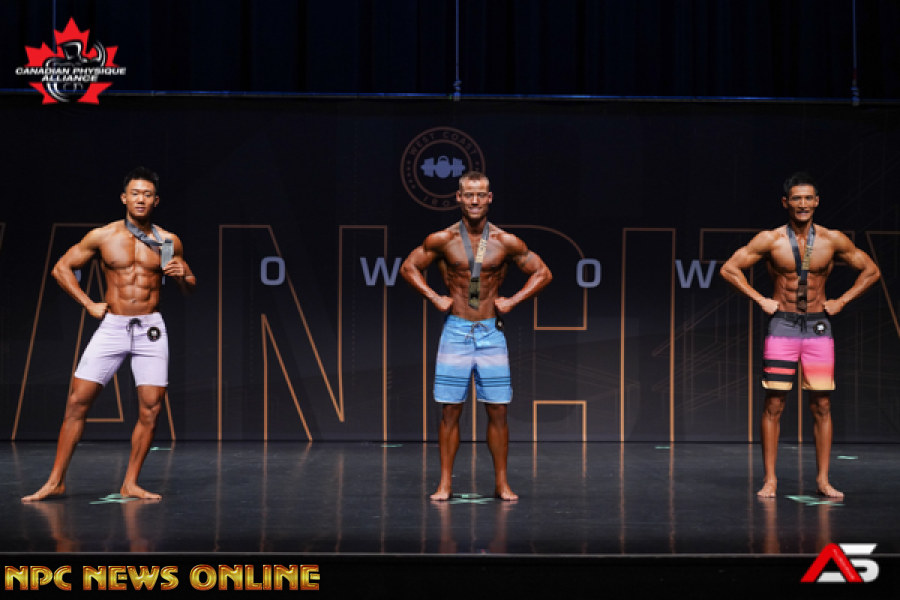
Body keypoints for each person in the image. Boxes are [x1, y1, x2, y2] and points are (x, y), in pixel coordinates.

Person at [22, 167, 195, 502]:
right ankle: (56, 481)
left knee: (151, 408)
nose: (141, 199)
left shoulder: (166, 241)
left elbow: (187, 286)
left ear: (156, 201)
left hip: (150, 328)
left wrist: (183, 275)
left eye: (147, 194)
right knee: (77, 401)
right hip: (113, 326)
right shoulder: (104, 237)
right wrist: (88, 303)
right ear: (124, 198)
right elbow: (61, 268)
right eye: (135, 193)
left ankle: (130, 483)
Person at [720, 171, 880, 499]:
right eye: (796, 198)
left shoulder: (832, 240)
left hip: (819, 327)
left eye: (808, 198)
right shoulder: (770, 240)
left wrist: (842, 301)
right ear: (786, 202)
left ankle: (823, 480)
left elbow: (871, 270)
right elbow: (729, 269)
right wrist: (760, 299)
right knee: (774, 403)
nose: (803, 204)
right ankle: (770, 480)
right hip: (783, 326)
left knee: (822, 404)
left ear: (817, 201)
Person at [400, 171, 552, 501]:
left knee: (498, 410)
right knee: (450, 411)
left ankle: (501, 484)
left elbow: (543, 272)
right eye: (468, 194)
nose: (474, 200)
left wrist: (513, 301)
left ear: (489, 198)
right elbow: (408, 267)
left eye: (480, 194)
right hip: (455, 330)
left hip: (490, 333)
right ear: (458, 197)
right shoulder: (442, 239)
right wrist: (434, 297)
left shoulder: (505, 241)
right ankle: (445, 484)